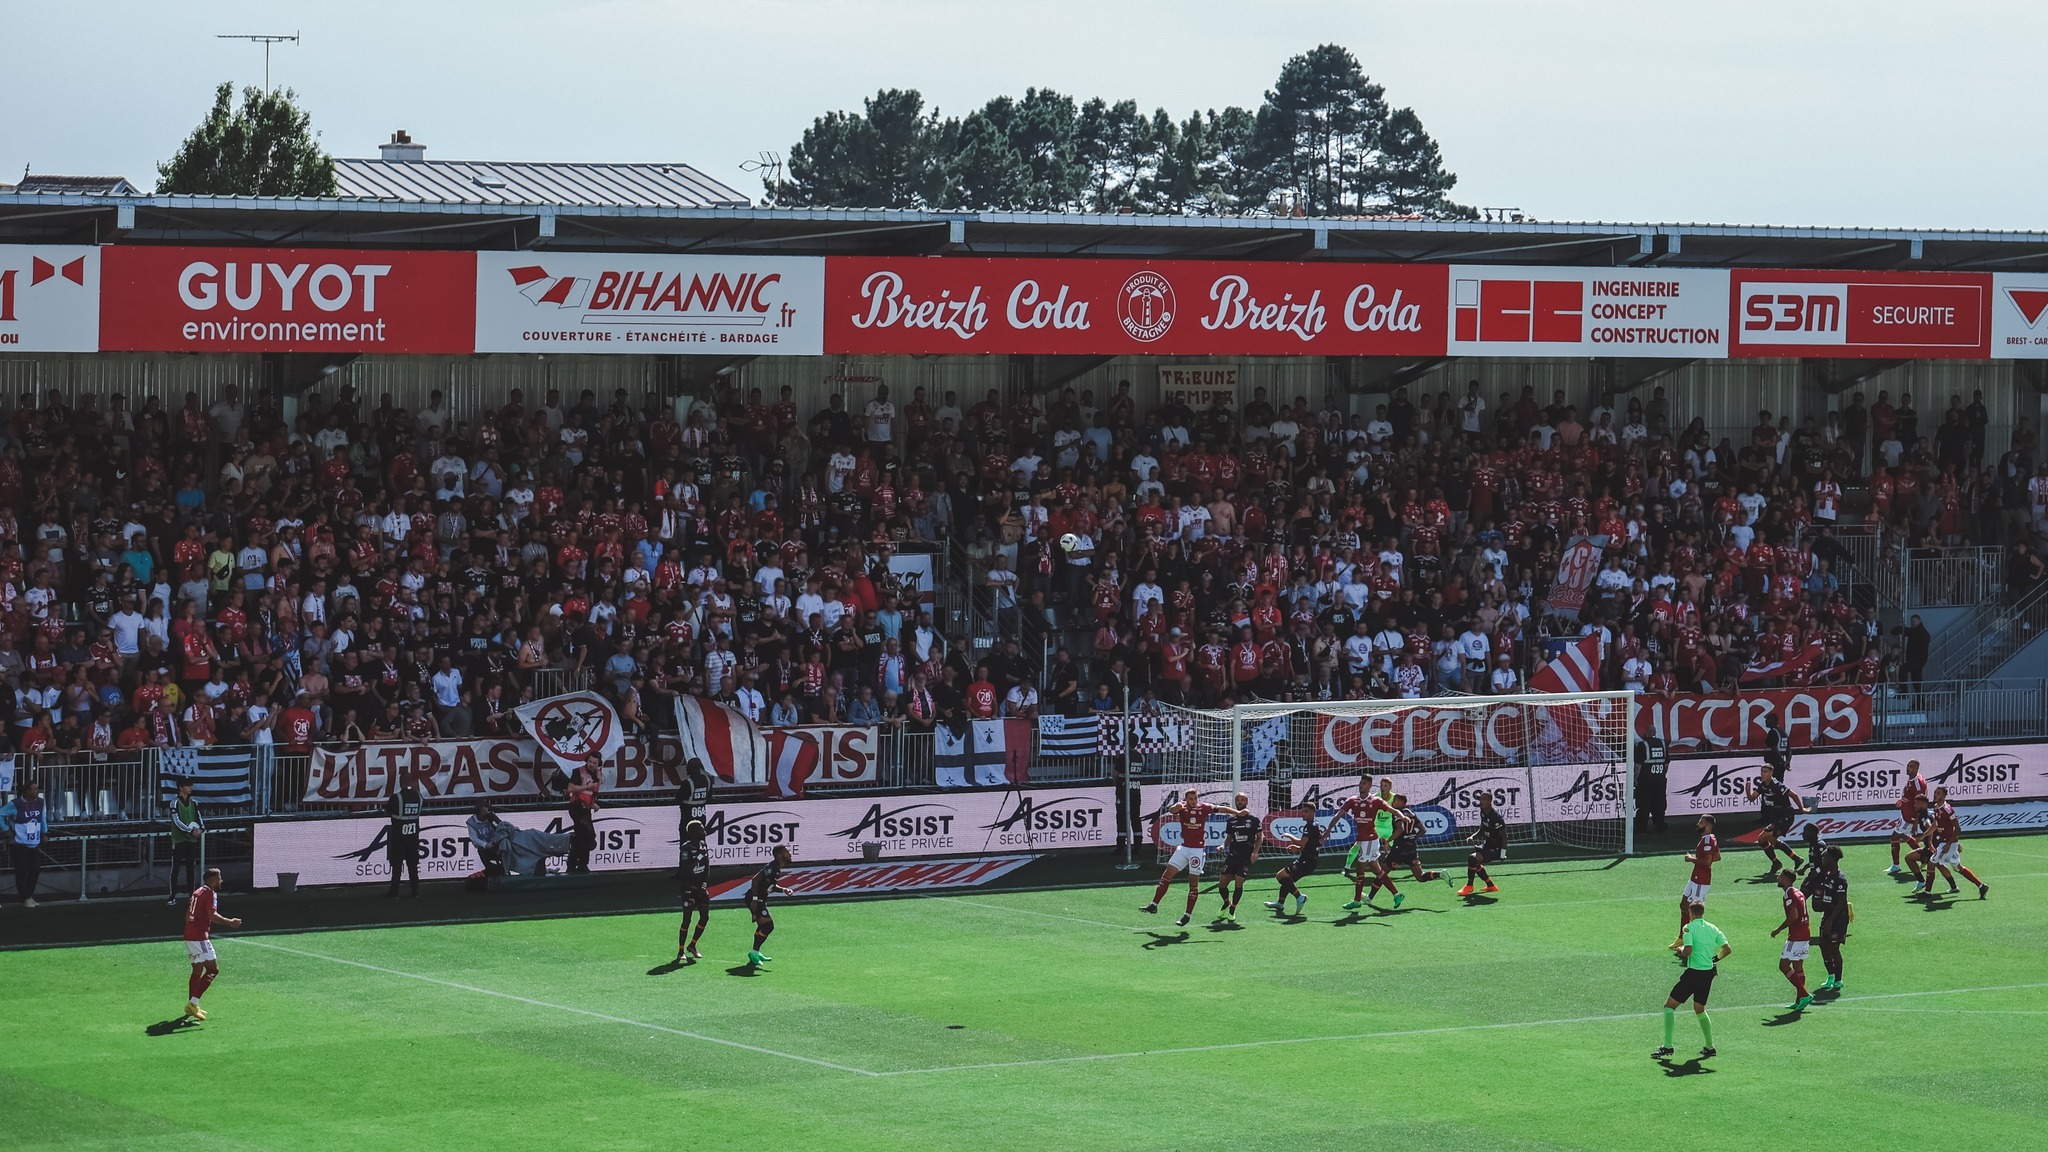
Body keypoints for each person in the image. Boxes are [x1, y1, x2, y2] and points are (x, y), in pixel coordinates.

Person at [1141, 789, 1237, 927]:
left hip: (1197, 851)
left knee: (1193, 885)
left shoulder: (1204, 807)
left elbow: (1221, 809)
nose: (1194, 801)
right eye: (1191, 798)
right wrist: (1176, 807)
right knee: (1166, 876)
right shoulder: (1182, 807)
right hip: (1183, 848)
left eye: (1195, 798)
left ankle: (1187, 915)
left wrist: (1237, 812)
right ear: (1186, 799)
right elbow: (1172, 810)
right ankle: (1153, 905)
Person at [1653, 898, 1730, 1060]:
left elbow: (1688, 950)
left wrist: (1680, 950)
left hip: (1694, 973)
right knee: (1699, 1009)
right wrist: (1715, 959)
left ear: (1691, 913)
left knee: (1669, 1006)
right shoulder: (1713, 928)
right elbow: (1727, 949)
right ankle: (1710, 1047)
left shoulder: (1688, 928)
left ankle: (1668, 1046)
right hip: (1708, 973)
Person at [183, 866, 243, 1021]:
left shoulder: (197, 892)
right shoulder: (210, 893)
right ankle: (193, 1003)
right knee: (213, 970)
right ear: (214, 880)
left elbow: (188, 913)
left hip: (189, 935)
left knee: (197, 971)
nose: (221, 881)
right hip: (200, 937)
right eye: (220, 878)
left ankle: (192, 1005)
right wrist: (230, 922)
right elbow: (213, 916)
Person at [1915, 785, 1990, 899]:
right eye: (1935, 793)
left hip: (1947, 843)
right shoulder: (1936, 807)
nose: (1935, 795)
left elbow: (1957, 828)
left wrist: (1950, 844)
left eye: (1938, 793)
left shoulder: (1947, 810)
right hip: (1946, 843)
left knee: (1931, 863)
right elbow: (1936, 824)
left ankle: (1927, 893)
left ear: (1944, 795)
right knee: (1958, 867)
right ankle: (1981, 886)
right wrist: (1923, 836)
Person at [1338, 777, 1401, 910]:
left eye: (1364, 783)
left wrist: (1403, 816)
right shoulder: (1361, 799)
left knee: (1360, 870)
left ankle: (1357, 900)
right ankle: (1397, 894)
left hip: (1372, 838)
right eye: (1360, 783)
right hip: (1371, 836)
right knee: (1377, 870)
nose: (1361, 785)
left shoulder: (1378, 800)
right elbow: (1339, 814)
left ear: (1370, 785)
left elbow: (1393, 810)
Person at [1746, 763, 1808, 874]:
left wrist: (1802, 809)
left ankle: (1776, 863)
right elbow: (1752, 798)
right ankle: (1796, 859)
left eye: (1765, 772)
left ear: (1771, 773)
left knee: (1761, 838)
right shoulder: (1763, 785)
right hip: (1777, 818)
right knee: (1772, 840)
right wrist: (1747, 790)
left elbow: (1794, 795)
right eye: (1762, 772)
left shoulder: (1777, 785)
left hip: (1786, 817)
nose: (1763, 774)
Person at [1263, 810, 1326, 916]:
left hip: (1306, 861)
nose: (1302, 814)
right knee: (1288, 880)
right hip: (1309, 860)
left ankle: (1299, 897)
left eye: (1305, 811)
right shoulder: (1315, 825)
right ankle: (1280, 903)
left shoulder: (1310, 826)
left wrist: (1289, 836)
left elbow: (1302, 842)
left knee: (1280, 876)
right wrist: (1297, 848)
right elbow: (1311, 844)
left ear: (1311, 812)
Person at [1807, 845, 1850, 992]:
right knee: (1823, 944)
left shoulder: (1840, 879)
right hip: (1828, 915)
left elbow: (1841, 902)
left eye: (1825, 856)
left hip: (1838, 918)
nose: (1823, 858)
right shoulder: (1826, 876)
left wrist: (1830, 920)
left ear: (1832, 858)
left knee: (1834, 947)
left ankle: (1838, 979)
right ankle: (1830, 975)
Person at [1212, 791, 1260, 922]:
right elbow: (1229, 837)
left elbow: (1260, 837)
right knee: (1222, 884)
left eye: (1243, 799)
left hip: (1246, 857)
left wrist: (1255, 852)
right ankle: (1226, 902)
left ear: (1247, 802)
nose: (1240, 801)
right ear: (1235, 802)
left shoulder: (1253, 819)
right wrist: (1223, 845)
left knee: (1239, 881)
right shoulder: (1231, 820)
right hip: (1233, 856)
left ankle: (1233, 908)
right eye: (1238, 799)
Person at [1770, 870, 1815, 1012]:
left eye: (1780, 876)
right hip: (1805, 932)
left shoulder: (1789, 894)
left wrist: (1779, 929)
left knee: (1783, 966)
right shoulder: (1799, 892)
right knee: (1798, 966)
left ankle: (1804, 994)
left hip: (1796, 936)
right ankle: (1799, 1000)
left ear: (1786, 878)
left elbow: (1794, 915)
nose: (1778, 878)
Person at [1380, 794, 1445, 889]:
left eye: (1395, 800)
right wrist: (1413, 838)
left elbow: (1400, 829)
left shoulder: (1398, 813)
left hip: (1399, 849)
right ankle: (1440, 874)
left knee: (1381, 873)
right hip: (1411, 848)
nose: (1393, 802)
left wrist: (1388, 841)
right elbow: (1423, 830)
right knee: (1420, 877)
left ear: (1401, 802)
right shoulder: (1411, 813)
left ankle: (1376, 895)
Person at [745, 844, 794, 967]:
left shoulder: (776, 869)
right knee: (768, 926)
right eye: (786, 851)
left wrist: (783, 889)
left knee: (763, 926)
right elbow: (755, 879)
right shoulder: (772, 868)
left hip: (759, 899)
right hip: (755, 899)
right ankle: (754, 952)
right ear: (779, 855)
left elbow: (770, 886)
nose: (789, 853)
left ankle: (755, 952)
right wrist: (755, 899)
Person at [1675, 814, 1719, 947]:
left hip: (1701, 880)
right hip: (1695, 878)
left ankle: (1695, 941)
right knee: (1684, 905)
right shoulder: (1708, 838)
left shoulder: (1708, 840)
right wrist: (1701, 859)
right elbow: (1717, 857)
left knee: (1695, 911)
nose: (1698, 824)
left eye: (1701, 822)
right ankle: (1682, 937)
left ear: (1708, 825)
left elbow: (1707, 861)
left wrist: (1691, 859)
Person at [0, 778, 46, 907]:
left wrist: (44, 832)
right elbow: (0, 814)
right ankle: (25, 897)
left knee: (35, 870)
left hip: (34, 841)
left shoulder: (40, 802)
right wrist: (6, 829)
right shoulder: (15, 804)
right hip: (18, 842)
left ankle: (28, 895)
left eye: (37, 788)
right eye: (34, 789)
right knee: (21, 871)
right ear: (26, 791)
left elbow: (42, 818)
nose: (37, 791)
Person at [1459, 790, 1507, 896]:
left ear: (1490, 801)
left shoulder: (1496, 818)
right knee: (1474, 862)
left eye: (1484, 799)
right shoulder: (1483, 812)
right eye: (1480, 799)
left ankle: (1469, 886)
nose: (1481, 801)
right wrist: (1472, 837)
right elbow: (1482, 830)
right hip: (1487, 844)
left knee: (1472, 858)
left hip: (1496, 848)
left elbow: (1504, 837)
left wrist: (1502, 854)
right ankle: (1490, 886)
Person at [677, 819, 712, 962]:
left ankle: (692, 945)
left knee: (705, 917)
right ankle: (680, 951)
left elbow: (707, 866)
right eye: (701, 829)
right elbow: (685, 870)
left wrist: (704, 883)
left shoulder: (703, 845)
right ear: (693, 832)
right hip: (689, 888)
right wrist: (698, 857)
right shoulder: (686, 848)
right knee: (687, 920)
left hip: (701, 888)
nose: (704, 831)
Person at [167, 778, 205, 905]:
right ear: (181, 787)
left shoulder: (194, 802)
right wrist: (190, 831)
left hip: (191, 841)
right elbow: (176, 820)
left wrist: (201, 829)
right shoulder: (174, 802)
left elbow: (199, 817)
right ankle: (172, 896)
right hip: (178, 840)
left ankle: (192, 895)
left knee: (191, 868)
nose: (190, 788)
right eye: (188, 786)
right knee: (175, 868)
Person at [1888, 759, 1929, 876]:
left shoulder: (1918, 783)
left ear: (1917, 768)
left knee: (1895, 837)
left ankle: (1896, 865)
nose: (1908, 768)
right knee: (1904, 836)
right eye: (1908, 766)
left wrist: (1916, 821)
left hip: (1910, 817)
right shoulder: (1912, 779)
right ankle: (1924, 857)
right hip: (1905, 814)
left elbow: (1921, 803)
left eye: (1911, 767)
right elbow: (1910, 797)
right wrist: (1902, 802)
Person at [384, 779, 423, 897]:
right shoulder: (419, 797)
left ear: (401, 783)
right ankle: (415, 891)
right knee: (413, 866)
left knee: (396, 866)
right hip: (413, 837)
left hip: (398, 838)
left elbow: (387, 811)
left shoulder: (396, 797)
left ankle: (394, 891)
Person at [566, 752, 602, 873]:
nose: (591, 764)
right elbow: (570, 788)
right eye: (590, 761)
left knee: (581, 837)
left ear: (598, 764)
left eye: (594, 763)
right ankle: (582, 864)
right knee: (588, 835)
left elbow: (591, 794)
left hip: (586, 808)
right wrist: (587, 787)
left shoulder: (598, 775)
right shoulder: (578, 772)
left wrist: (593, 804)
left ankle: (573, 863)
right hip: (577, 807)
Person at [1633, 732, 1668, 834]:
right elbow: (1666, 764)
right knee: (1659, 805)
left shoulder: (1642, 745)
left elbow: (1638, 766)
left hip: (1645, 781)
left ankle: (1641, 828)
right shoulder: (1663, 744)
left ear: (1646, 733)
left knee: (1643, 805)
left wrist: (1635, 778)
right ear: (1655, 733)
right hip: (1660, 781)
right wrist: (1662, 775)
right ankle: (1660, 826)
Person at [467, 801, 509, 878]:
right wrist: (486, 845)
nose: (486, 813)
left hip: (496, 844)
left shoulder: (491, 817)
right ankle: (490, 870)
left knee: (504, 845)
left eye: (487, 811)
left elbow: (499, 829)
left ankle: (505, 869)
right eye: (484, 812)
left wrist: (495, 841)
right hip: (485, 847)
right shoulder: (471, 822)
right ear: (478, 812)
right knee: (481, 850)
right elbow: (474, 839)